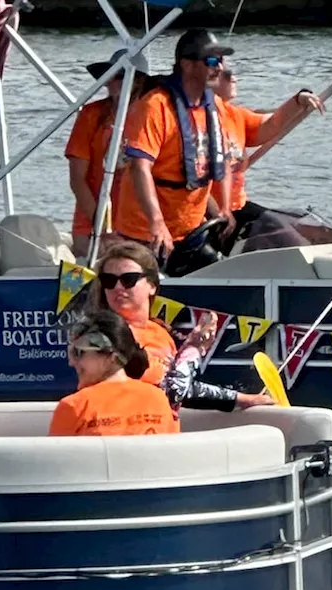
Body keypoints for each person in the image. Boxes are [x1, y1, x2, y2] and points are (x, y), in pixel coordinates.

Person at [89, 241, 272, 411]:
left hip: (159, 429)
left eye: (128, 279)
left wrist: (244, 399)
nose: (118, 287)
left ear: (152, 285)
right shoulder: (106, 336)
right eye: (109, 280)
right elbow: (173, 391)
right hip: (126, 432)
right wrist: (193, 349)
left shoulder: (159, 332)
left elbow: (180, 387)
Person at [115, 28, 234, 270]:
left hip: (192, 232)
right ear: (187, 65)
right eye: (211, 60)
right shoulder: (155, 106)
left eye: (221, 61)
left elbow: (198, 171)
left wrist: (221, 211)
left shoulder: (216, 108)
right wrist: (157, 223)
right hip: (145, 234)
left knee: (226, 270)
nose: (219, 68)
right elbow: (140, 167)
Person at [213, 61, 325, 242]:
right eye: (227, 74)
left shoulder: (236, 115)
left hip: (238, 206)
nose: (235, 78)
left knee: (299, 229)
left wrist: (299, 99)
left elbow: (271, 123)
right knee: (281, 233)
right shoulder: (194, 119)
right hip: (210, 211)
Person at [65, 48, 150, 257]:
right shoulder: (91, 115)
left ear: (138, 81)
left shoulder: (152, 116)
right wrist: (102, 229)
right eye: (109, 76)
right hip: (93, 227)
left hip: (141, 226)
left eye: (119, 76)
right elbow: (77, 179)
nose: (110, 82)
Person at [48, 310, 180, 437]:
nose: (71, 362)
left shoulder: (74, 407)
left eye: (78, 353)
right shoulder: (158, 399)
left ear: (110, 356)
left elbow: (55, 459)